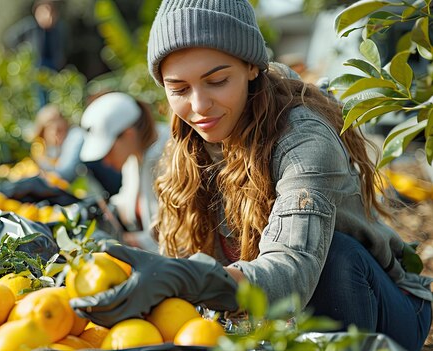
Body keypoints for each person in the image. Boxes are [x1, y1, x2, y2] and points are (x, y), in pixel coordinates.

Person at [69, 1, 433, 350]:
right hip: (278, 320)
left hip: (382, 308)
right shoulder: (184, 150)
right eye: (179, 89)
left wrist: (196, 279)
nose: (198, 107)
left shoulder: (303, 138)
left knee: (338, 258)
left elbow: (293, 268)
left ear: (251, 67)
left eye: (217, 81)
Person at [79, 92, 169, 252]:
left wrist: (131, 242)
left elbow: (173, 233)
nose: (105, 161)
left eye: (108, 151)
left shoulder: (169, 157)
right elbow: (129, 201)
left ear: (128, 134)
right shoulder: (135, 156)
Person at [29, 103, 122, 196]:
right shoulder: (56, 144)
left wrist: (41, 162)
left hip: (110, 189)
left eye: (59, 130)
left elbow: (66, 172)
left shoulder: (76, 136)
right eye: (50, 131)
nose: (55, 134)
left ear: (65, 122)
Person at [4, 0, 68, 106]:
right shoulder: (30, 26)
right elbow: (11, 38)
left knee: (53, 94)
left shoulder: (57, 29)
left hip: (53, 66)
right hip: (37, 65)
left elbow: (62, 48)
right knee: (39, 95)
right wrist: (21, 54)